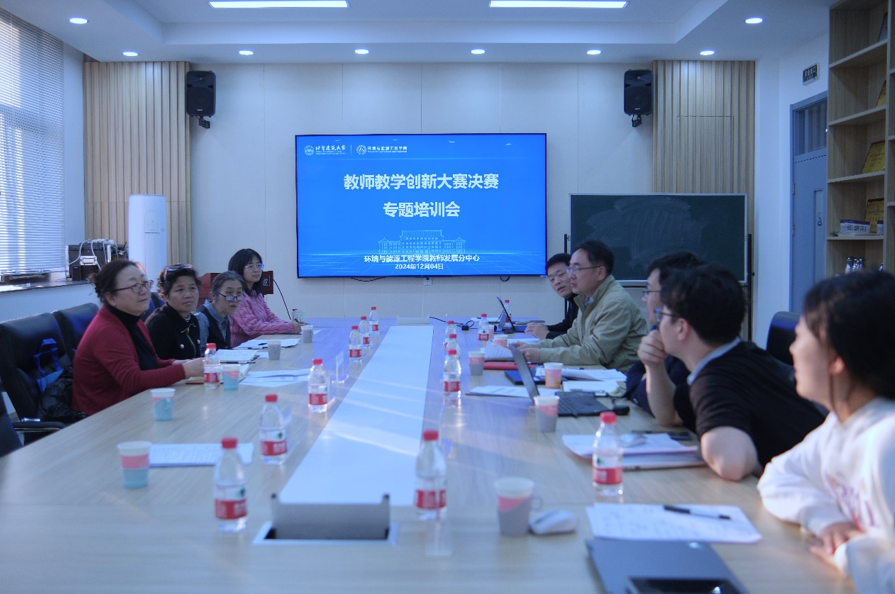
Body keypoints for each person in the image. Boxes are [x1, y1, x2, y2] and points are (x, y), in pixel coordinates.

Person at [758, 271, 895, 593]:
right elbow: (777, 477)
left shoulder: (886, 440)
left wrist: (848, 553)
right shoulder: (840, 424)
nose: (792, 349)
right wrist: (826, 519)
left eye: (800, 336)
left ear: (836, 358)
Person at [651, 263, 825, 481]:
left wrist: (760, 466)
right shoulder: (741, 355)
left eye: (662, 315)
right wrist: (654, 366)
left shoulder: (715, 380)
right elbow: (670, 414)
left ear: (681, 327)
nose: (659, 324)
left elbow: (732, 463)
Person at [72, 260, 205, 415]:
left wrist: (178, 363)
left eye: (145, 283)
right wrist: (184, 370)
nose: (144, 291)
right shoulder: (106, 330)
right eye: (134, 286)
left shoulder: (134, 321)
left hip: (132, 407)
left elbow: (152, 363)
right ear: (111, 297)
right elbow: (133, 381)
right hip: (101, 417)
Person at [514, 240, 647, 371]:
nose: (571, 276)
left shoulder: (616, 303)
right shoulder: (587, 298)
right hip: (598, 374)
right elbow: (570, 339)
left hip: (622, 381)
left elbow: (594, 354)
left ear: (600, 273)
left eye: (576, 269)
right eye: (570, 269)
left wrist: (540, 354)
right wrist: (534, 347)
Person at [624, 252, 704, 414]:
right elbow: (635, 371)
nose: (644, 299)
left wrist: (647, 379)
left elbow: (664, 406)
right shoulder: (659, 328)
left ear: (671, 295)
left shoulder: (692, 338)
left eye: (648, 291)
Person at [227, 248, 302, 347]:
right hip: (240, 349)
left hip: (259, 344)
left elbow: (270, 317)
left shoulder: (255, 293)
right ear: (239, 268)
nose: (256, 270)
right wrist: (289, 327)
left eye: (259, 265)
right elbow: (252, 328)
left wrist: (292, 324)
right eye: (251, 266)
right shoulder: (237, 296)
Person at [145, 264, 203, 360]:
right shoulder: (159, 324)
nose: (188, 295)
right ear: (165, 296)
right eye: (180, 290)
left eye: (192, 288)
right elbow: (155, 365)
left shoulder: (193, 320)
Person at [524, 253, 579, 340]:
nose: (557, 282)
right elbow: (567, 325)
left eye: (561, 274)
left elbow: (578, 339)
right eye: (552, 279)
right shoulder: (574, 299)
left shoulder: (586, 299)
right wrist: (543, 328)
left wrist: (546, 334)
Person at [195, 271, 246, 350]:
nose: (235, 299)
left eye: (239, 293)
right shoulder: (201, 318)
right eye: (229, 293)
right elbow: (199, 353)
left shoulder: (226, 315)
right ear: (214, 295)